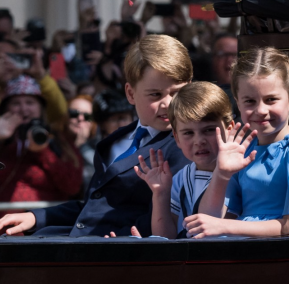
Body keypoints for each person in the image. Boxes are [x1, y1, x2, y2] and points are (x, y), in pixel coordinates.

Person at [0, 34, 193, 237]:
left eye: (177, 92)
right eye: (155, 94)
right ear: (130, 93)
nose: (168, 103)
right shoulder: (116, 141)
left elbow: (173, 215)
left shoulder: (188, 146)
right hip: (81, 246)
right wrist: (36, 218)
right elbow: (95, 209)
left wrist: (128, 236)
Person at [183, 46, 289, 238]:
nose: (261, 110)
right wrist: (222, 173)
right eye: (250, 101)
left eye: (271, 99)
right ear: (238, 102)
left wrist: (226, 227)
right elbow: (209, 217)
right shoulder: (244, 149)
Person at [134, 81, 234, 239]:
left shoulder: (239, 173)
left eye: (208, 130)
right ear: (177, 138)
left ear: (229, 129)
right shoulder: (181, 178)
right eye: (188, 133)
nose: (199, 140)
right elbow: (166, 238)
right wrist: (160, 193)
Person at [0, 75, 83, 219]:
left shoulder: (59, 141)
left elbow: (72, 186)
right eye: (16, 103)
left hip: (45, 229)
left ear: (41, 108)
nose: (23, 108)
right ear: (6, 108)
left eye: (30, 102)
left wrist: (43, 152)